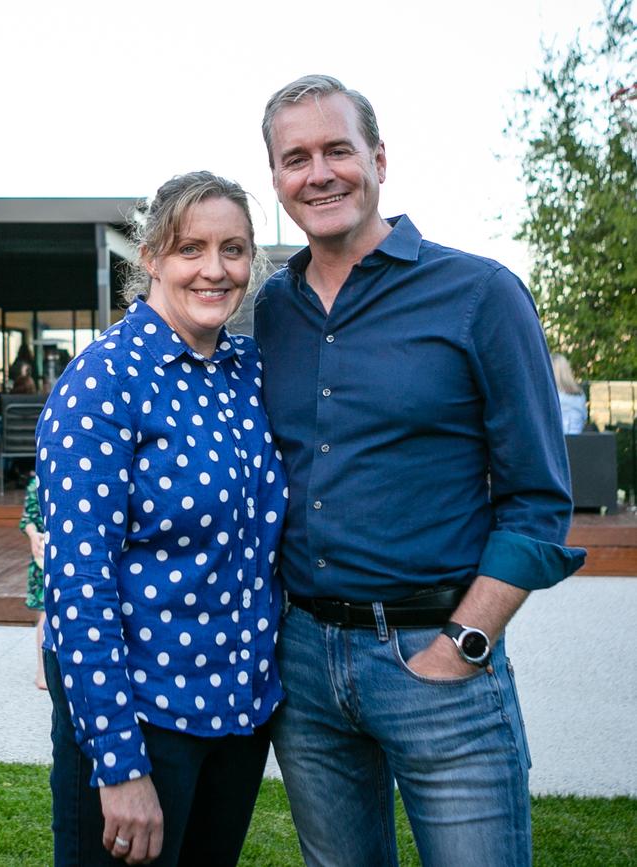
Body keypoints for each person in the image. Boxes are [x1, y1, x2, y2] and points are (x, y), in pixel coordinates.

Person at [254, 75, 586, 867]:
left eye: (339, 149)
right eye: (296, 158)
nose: (320, 172)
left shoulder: (479, 293)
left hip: (436, 657)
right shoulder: (270, 308)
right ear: (276, 180)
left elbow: (539, 499)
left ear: (379, 158)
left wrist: (464, 641)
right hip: (302, 662)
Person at [36, 170, 288, 866]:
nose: (215, 269)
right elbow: (80, 584)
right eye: (191, 249)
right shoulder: (103, 382)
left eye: (233, 250)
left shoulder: (247, 371)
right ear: (150, 258)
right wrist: (118, 763)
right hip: (143, 721)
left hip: (239, 717)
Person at [20, 473, 47, 689]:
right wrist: (33, 535)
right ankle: (42, 671)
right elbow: (27, 519)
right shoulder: (35, 483)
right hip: (44, 555)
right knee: (45, 615)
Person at [551, 353, 587, 434]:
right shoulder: (580, 396)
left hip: (559, 444)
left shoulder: (551, 397)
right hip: (578, 442)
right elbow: (584, 419)